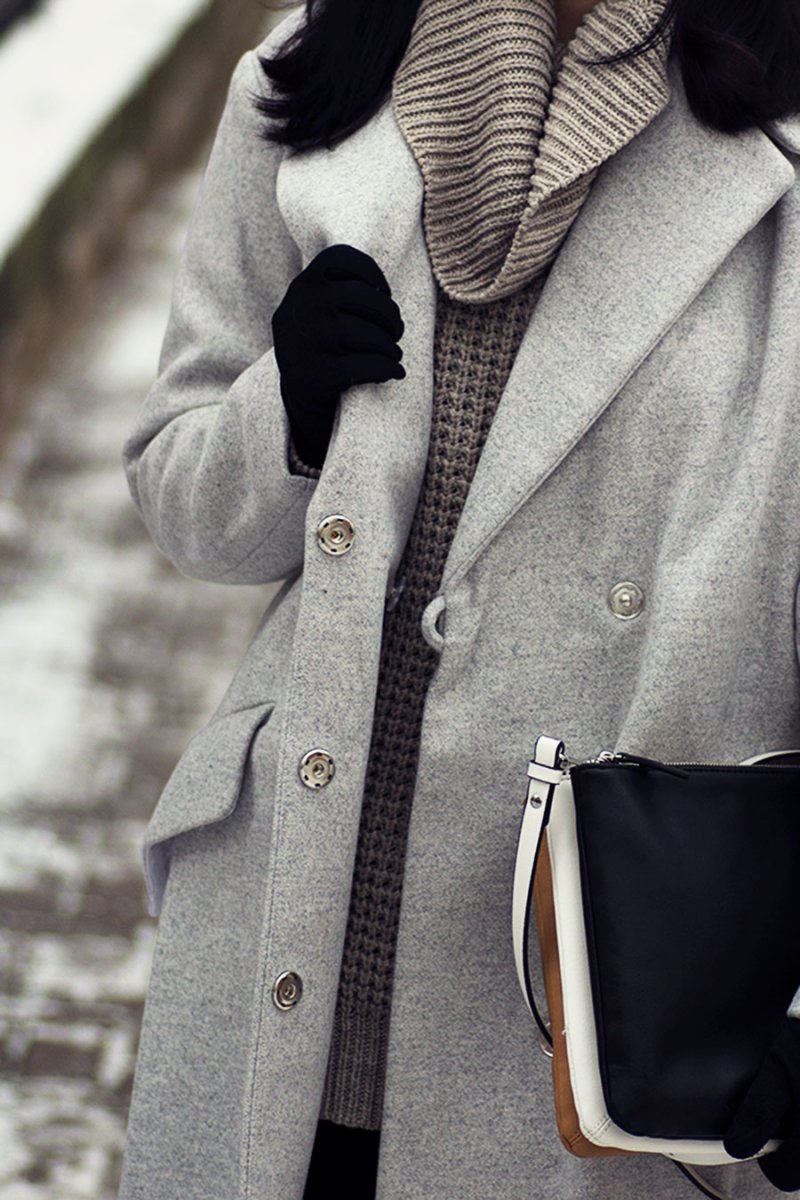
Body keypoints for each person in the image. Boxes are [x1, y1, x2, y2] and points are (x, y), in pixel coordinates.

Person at [116, 0, 800, 1195]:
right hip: (283, 953)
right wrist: (286, 407)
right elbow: (185, 502)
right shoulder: (314, 72)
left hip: (601, 989)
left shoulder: (772, 136)